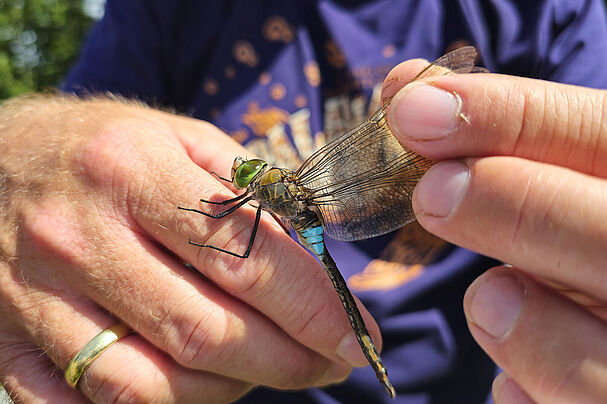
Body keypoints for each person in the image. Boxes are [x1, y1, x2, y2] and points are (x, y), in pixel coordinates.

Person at [1, 1, 607, 403]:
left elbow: (238, 222)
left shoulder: (550, 12)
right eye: (242, 175)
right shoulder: (165, 12)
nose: (238, 177)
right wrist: (23, 151)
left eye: (245, 175)